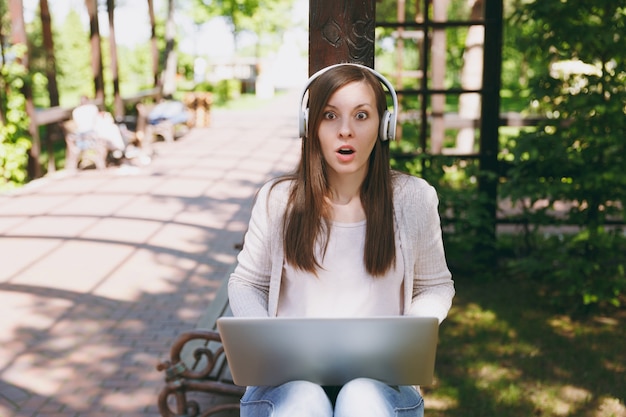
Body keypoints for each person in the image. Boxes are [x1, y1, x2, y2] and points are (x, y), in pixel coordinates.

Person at [227, 63, 455, 417]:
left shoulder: (414, 199)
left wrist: (408, 334)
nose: (345, 130)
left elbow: (435, 286)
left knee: (361, 398)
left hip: (383, 385)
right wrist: (269, 343)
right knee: (305, 401)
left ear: (385, 126)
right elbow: (246, 283)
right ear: (310, 125)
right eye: (330, 115)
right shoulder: (278, 200)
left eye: (361, 115)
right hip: (287, 385)